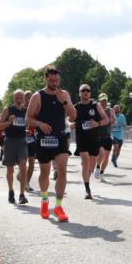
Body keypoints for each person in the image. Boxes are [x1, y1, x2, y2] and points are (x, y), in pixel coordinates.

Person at [27, 69, 76, 221]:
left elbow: (73, 115)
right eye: (52, 80)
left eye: (57, 80)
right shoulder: (37, 96)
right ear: (46, 79)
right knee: (44, 172)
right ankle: (44, 200)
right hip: (43, 139)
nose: (54, 83)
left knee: (62, 171)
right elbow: (28, 119)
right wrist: (40, 124)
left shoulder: (64, 94)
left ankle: (59, 206)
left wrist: (65, 102)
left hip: (60, 137)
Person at [0, 90, 30, 205]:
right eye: (17, 98)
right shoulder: (8, 110)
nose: (19, 100)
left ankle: (22, 194)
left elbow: (32, 122)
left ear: (24, 99)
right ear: (14, 98)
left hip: (22, 141)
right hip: (10, 141)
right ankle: (11, 191)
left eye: (21, 97)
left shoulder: (27, 111)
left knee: (23, 166)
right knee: (10, 169)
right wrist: (9, 122)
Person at [74, 85, 107, 199]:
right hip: (81, 138)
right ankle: (87, 190)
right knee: (85, 159)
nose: (86, 92)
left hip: (94, 139)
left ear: (90, 93)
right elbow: (68, 120)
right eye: (83, 90)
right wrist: (71, 125)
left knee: (91, 166)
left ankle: (87, 173)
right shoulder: (76, 107)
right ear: (79, 93)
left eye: (88, 90)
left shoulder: (96, 105)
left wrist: (97, 124)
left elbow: (106, 120)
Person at [94, 93, 115, 178]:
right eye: (102, 101)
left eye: (105, 100)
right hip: (98, 136)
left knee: (106, 157)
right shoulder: (96, 110)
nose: (104, 102)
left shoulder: (110, 110)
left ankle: (102, 172)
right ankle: (98, 167)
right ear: (99, 101)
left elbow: (114, 122)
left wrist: (112, 119)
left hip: (107, 136)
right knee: (101, 153)